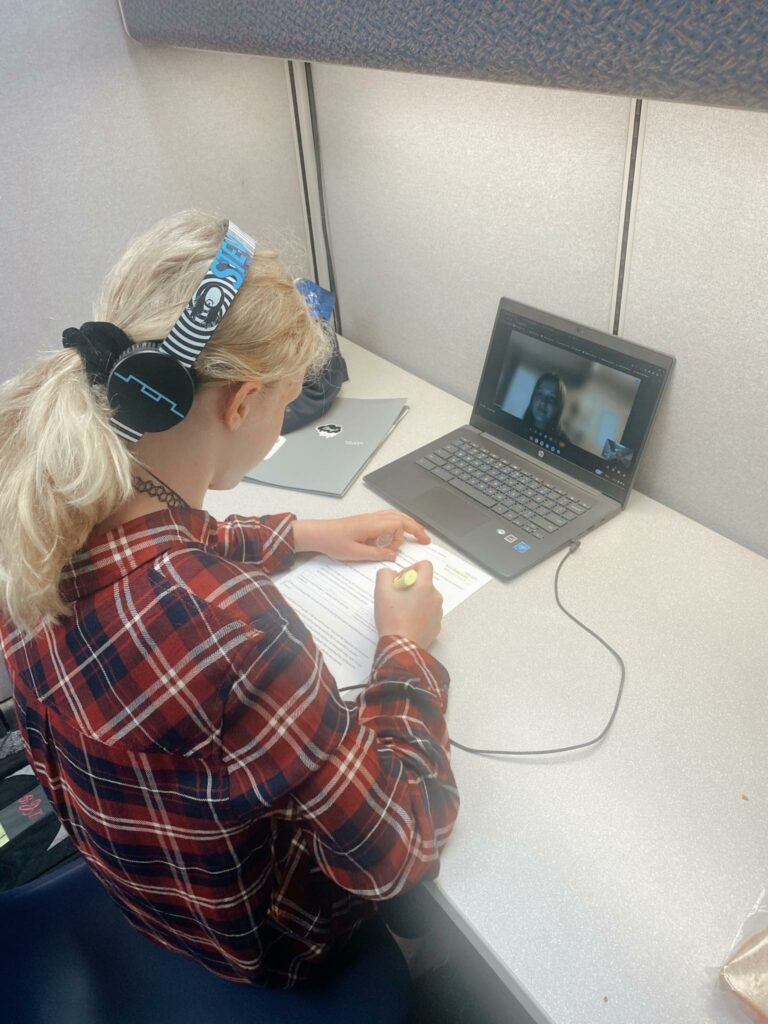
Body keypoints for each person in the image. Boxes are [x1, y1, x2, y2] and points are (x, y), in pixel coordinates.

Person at [0, 211, 459, 988]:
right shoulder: (234, 627)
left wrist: (307, 534)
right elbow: (397, 845)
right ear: (242, 404)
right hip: (262, 946)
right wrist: (404, 646)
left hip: (146, 893)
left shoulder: (40, 510)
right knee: (420, 901)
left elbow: (166, 539)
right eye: (284, 403)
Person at [522, 371, 571, 445]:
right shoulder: (516, 427)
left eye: (551, 398)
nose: (543, 402)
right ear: (532, 397)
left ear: (559, 407)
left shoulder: (565, 443)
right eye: (540, 394)